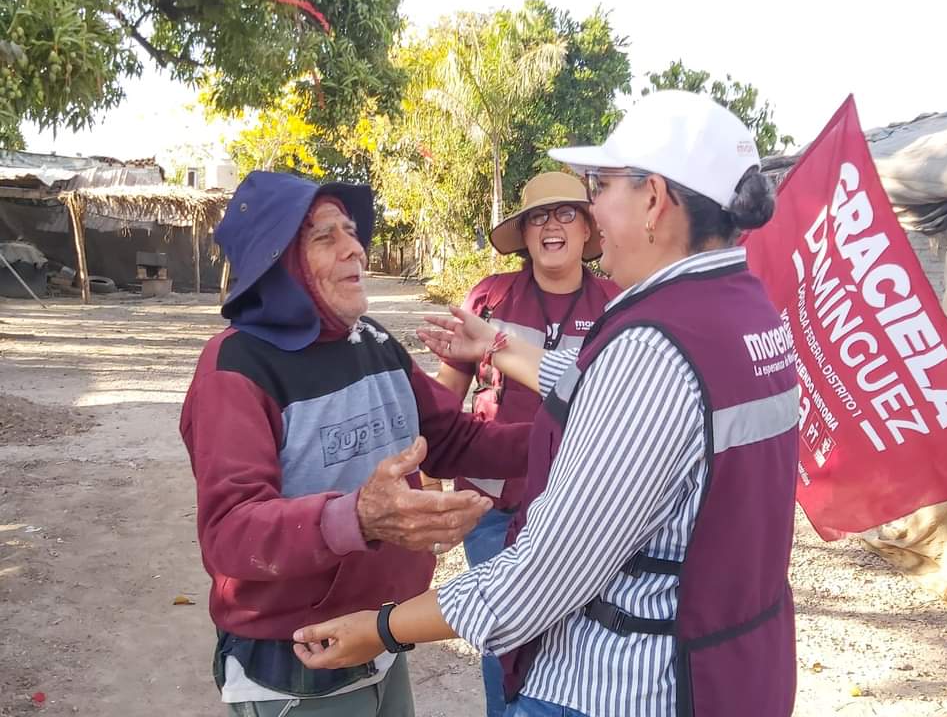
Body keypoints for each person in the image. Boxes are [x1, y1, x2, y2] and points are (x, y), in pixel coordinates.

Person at [291, 90, 801, 717]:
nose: (591, 207)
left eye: (600, 184)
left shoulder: (655, 343)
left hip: (625, 685)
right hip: (733, 662)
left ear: (653, 201)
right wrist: (497, 346)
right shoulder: (746, 314)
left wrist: (380, 628)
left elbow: (542, 576)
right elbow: (625, 397)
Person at [180, 171, 530, 717]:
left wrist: (572, 439)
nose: (354, 249)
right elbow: (229, 532)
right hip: (296, 659)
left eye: (351, 231)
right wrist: (358, 518)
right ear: (279, 265)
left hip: (380, 637)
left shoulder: (370, 341)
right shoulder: (237, 367)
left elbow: (449, 438)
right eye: (325, 238)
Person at [433, 171, 621, 716]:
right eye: (539, 216)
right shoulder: (490, 297)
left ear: (589, 229)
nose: (551, 226)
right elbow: (447, 395)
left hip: (586, 506)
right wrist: (428, 480)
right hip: (494, 505)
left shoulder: (617, 302)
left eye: (566, 214)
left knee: (571, 641)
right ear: (524, 233)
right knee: (505, 633)